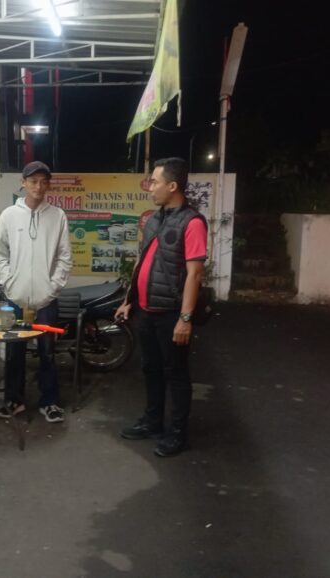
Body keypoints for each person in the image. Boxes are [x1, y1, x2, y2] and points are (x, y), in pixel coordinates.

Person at [115, 157, 207, 458]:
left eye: (154, 182)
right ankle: (153, 422)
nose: (149, 187)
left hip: (171, 314)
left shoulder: (192, 223)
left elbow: (194, 274)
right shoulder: (154, 219)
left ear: (173, 186)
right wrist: (129, 301)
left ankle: (178, 434)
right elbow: (141, 262)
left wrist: (185, 319)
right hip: (146, 311)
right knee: (150, 368)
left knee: (176, 373)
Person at [0, 161, 73, 422]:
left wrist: (53, 287)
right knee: (14, 351)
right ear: (23, 183)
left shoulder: (57, 216)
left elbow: (65, 257)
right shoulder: (9, 215)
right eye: (33, 181)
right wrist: (8, 282)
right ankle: (13, 400)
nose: (39, 186)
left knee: (47, 351)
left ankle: (49, 402)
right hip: (15, 299)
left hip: (46, 301)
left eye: (43, 181)